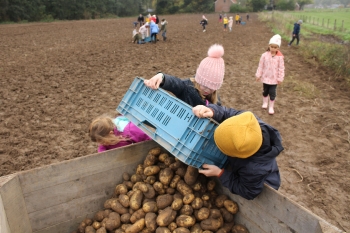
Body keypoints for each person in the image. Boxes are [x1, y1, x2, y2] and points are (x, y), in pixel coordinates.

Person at [192, 104, 284, 200]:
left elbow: (248, 191)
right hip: (246, 167)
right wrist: (213, 112)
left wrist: (221, 174)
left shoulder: (254, 170)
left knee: (265, 198)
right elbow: (229, 113)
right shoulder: (247, 121)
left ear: (237, 154)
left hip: (260, 184)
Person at [144, 44, 225, 107]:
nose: (207, 89)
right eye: (204, 85)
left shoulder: (216, 101)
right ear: (198, 80)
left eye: (211, 87)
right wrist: (162, 77)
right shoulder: (187, 87)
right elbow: (176, 83)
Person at [255, 34, 285, 115]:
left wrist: (280, 78)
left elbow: (281, 68)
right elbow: (261, 66)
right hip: (265, 78)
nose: (273, 49)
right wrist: (258, 75)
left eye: (275, 47)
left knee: (272, 92)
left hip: (274, 79)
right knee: (265, 91)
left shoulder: (280, 57)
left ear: (278, 48)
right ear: (269, 46)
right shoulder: (264, 55)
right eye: (272, 47)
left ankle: (271, 107)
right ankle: (265, 103)